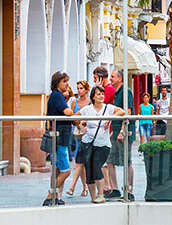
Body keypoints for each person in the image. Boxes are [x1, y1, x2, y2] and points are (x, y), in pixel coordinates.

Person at [75, 85, 125, 203]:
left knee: (97, 166)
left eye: (102, 94)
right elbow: (74, 117)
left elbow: (121, 111)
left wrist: (110, 118)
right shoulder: (87, 109)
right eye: (98, 94)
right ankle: (93, 197)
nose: (101, 96)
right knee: (89, 170)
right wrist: (80, 126)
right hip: (88, 142)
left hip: (103, 144)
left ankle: (101, 194)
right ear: (93, 96)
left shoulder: (108, 108)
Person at [44, 71, 75, 206]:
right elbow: (67, 112)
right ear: (57, 84)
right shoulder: (57, 96)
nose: (67, 83)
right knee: (66, 171)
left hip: (58, 136)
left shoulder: (56, 96)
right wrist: (73, 113)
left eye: (67, 81)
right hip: (60, 138)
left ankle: (55, 197)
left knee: (56, 170)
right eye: (64, 81)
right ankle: (50, 195)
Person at [105, 69, 135, 201]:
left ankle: (129, 190)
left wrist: (123, 131)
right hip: (116, 131)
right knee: (110, 159)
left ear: (120, 78)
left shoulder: (125, 91)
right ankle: (115, 189)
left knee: (127, 161)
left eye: (112, 77)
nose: (110, 79)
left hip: (125, 131)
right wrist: (113, 131)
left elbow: (127, 112)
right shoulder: (117, 92)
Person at [66, 81, 90, 198]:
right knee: (79, 162)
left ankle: (74, 187)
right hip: (77, 133)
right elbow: (72, 117)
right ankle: (82, 187)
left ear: (86, 90)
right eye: (78, 88)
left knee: (81, 163)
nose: (79, 90)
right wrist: (78, 124)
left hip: (87, 133)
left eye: (81, 88)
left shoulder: (90, 102)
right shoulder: (74, 101)